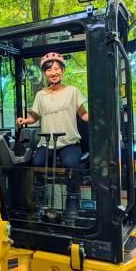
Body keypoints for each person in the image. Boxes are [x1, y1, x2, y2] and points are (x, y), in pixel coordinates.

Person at [15, 52, 88, 214]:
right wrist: (25, 120)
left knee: (71, 164)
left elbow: (83, 114)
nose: (53, 72)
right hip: (46, 142)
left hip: (69, 141)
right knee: (37, 163)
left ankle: (73, 199)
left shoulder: (73, 91)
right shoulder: (40, 95)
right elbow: (34, 116)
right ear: (44, 73)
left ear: (63, 70)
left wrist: (97, 117)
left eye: (56, 68)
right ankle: (40, 199)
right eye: (48, 70)